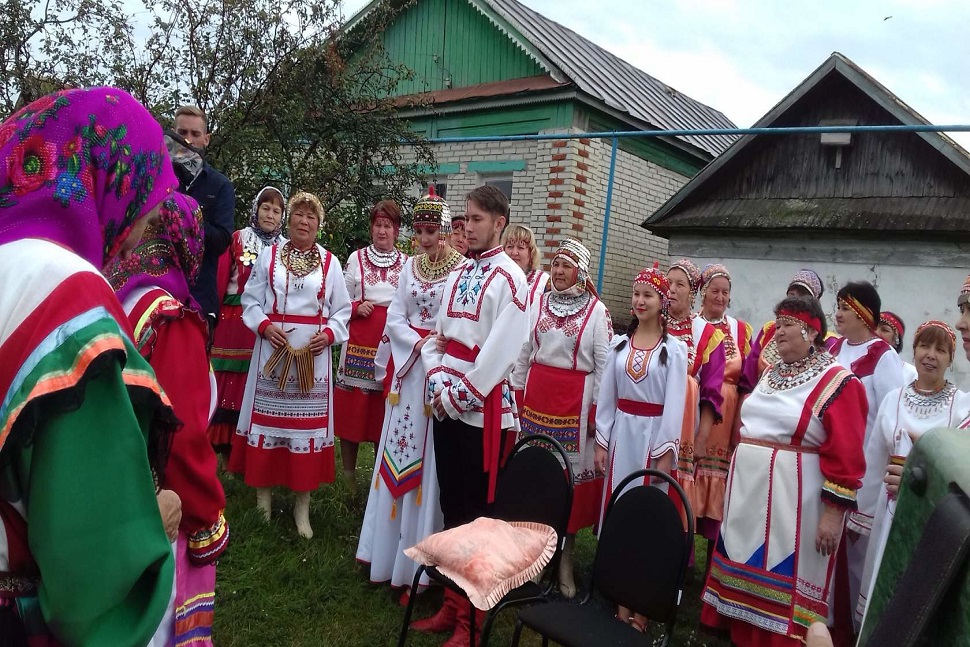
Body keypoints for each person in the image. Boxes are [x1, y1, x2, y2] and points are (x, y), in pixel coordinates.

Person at [0, 87, 180, 645]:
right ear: (109, 181)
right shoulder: (66, 292)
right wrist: (155, 523)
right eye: (146, 210)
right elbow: (92, 560)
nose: (141, 238)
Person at [701, 296, 868, 646]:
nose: (778, 333)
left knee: (785, 586)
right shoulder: (770, 374)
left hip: (793, 505)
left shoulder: (838, 382)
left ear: (811, 331)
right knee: (745, 578)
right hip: (749, 497)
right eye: (777, 325)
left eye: (787, 325)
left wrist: (832, 515)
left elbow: (847, 455)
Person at [106, 192, 229, 646]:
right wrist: (205, 517)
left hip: (111, 500)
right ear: (186, 241)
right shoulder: (170, 318)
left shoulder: (114, 296)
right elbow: (181, 435)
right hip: (159, 510)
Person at [417, 185, 530, 646]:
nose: (468, 227)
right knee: (451, 506)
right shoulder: (460, 272)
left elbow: (503, 351)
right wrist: (438, 380)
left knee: (478, 518)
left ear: (499, 221)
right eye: (465, 219)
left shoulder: (511, 280)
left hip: (482, 412)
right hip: (448, 402)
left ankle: (473, 622)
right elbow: (436, 339)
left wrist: (460, 391)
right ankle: (450, 604)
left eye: (477, 219)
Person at [356, 191, 463, 610]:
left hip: (436, 375)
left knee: (429, 468)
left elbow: (455, 322)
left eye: (431, 231)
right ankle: (385, 559)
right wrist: (414, 345)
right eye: (418, 231)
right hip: (407, 373)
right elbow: (395, 316)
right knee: (394, 458)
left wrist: (430, 348)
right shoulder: (409, 268)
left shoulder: (460, 270)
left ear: (445, 229)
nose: (424, 239)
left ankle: (417, 573)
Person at [228, 192, 352, 539]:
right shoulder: (269, 256)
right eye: (298, 214)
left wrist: (328, 335)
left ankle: (302, 509)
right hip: (272, 353)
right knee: (268, 426)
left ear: (319, 225)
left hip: (312, 361)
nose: (303, 221)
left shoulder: (330, 262)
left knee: (305, 432)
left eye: (311, 217)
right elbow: (250, 299)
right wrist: (265, 327)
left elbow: (342, 310)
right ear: (289, 219)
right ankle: (262, 503)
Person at [511, 238, 611, 599]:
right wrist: (518, 394)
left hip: (574, 409)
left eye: (566, 266)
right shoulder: (538, 303)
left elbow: (603, 367)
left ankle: (565, 559)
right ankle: (535, 559)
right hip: (537, 404)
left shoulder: (597, 313)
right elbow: (524, 352)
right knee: (537, 480)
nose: (558, 271)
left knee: (567, 484)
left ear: (580, 272)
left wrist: (596, 413)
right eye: (555, 265)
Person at [855, 320, 969, 625]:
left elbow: (959, 463)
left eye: (940, 350)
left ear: (949, 359)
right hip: (889, 507)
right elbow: (875, 460)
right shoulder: (893, 400)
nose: (930, 355)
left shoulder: (962, 406)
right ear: (914, 350)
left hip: (934, 517)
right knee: (884, 582)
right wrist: (861, 518)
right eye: (924, 346)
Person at [594, 265, 687, 633]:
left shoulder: (673, 351)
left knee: (648, 518)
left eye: (648, 295)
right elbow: (607, 398)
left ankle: (643, 607)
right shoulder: (619, 344)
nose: (639, 301)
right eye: (636, 294)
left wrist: (665, 452)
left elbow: (675, 404)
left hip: (652, 442)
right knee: (620, 511)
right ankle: (619, 599)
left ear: (662, 301)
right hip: (621, 440)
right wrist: (603, 442)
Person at [829, 280, 905, 636]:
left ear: (863, 313)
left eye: (845, 307)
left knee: (855, 559)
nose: (838, 313)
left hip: (863, 473)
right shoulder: (831, 348)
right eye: (839, 306)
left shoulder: (882, 356)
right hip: (826, 464)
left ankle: (853, 632)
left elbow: (893, 420)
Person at [335, 200, 407, 485]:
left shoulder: (406, 263)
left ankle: (379, 476)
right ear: (371, 228)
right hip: (358, 344)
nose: (382, 230)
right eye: (378, 224)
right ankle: (349, 477)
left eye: (388, 225)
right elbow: (338, 299)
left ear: (397, 230)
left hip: (390, 346)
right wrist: (355, 307)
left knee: (382, 412)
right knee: (353, 412)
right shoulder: (356, 259)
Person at [208, 186, 286, 449]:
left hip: (267, 325)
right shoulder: (238, 239)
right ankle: (219, 446)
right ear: (256, 209)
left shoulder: (285, 248)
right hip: (233, 321)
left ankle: (250, 446)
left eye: (277, 211)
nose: (270, 215)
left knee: (258, 379)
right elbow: (221, 280)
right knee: (228, 379)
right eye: (266, 208)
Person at [665, 259, 726, 544]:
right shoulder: (652, 323)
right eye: (669, 283)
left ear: (693, 292)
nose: (672, 290)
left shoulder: (707, 335)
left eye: (680, 285)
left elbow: (712, 394)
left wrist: (702, 438)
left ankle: (674, 561)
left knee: (676, 487)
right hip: (650, 422)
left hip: (683, 429)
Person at [693, 263, 752, 558]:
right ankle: (683, 559)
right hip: (697, 412)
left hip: (728, 418)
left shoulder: (740, 331)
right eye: (714, 291)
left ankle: (712, 564)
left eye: (725, 292)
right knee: (691, 477)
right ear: (703, 293)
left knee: (722, 484)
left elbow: (747, 380)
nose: (720, 297)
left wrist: (740, 425)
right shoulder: (692, 327)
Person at [172, 105, 235, 337]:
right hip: (156, 293)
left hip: (198, 299)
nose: (188, 140)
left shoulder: (220, 186)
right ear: (173, 132)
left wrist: (184, 217)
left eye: (195, 134)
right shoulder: (158, 178)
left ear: (206, 139)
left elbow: (222, 240)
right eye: (183, 132)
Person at [740, 269, 839, 393]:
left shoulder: (828, 341)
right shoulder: (770, 330)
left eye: (803, 296)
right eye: (792, 295)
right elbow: (747, 379)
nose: (796, 300)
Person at [502, 223, 548, 321]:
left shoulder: (544, 283)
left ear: (531, 253)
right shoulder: (495, 278)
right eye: (510, 246)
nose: (514, 253)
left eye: (520, 247)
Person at [877, 311, 917, 383]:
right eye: (873, 328)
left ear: (896, 340)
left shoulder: (911, 374)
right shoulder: (856, 363)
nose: (876, 333)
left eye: (885, 330)